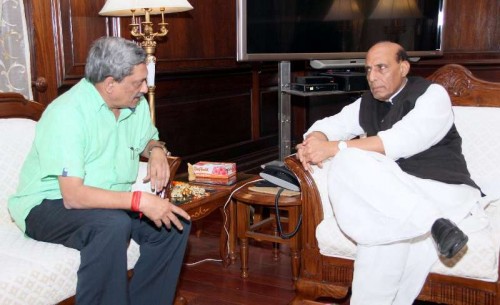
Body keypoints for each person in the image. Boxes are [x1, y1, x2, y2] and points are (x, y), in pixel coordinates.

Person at [8, 36, 191, 305]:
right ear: (109, 85)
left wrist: (157, 151)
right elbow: (74, 197)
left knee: (175, 224)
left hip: (106, 201)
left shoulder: (133, 104)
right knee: (112, 225)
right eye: (137, 82)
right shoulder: (67, 114)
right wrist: (140, 201)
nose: (145, 87)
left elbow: (147, 140)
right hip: (47, 205)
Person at [296, 41, 481, 305]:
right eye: (368, 70)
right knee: (376, 219)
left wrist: (333, 147)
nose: (372, 77)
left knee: (351, 163)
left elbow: (399, 142)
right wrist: (314, 141)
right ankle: (434, 223)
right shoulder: (367, 102)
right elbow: (327, 125)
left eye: (381, 68)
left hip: (444, 190)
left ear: (404, 67)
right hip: (400, 199)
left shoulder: (432, 95)